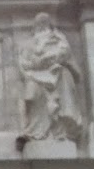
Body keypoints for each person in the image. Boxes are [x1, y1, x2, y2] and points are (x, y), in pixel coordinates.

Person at [17, 13, 83, 143]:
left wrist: (49, 59)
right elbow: (24, 63)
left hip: (56, 73)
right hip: (35, 75)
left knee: (60, 83)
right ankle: (33, 129)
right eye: (40, 24)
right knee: (30, 97)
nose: (42, 27)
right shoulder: (28, 44)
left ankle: (58, 130)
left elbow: (64, 55)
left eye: (45, 23)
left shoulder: (59, 39)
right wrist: (37, 62)